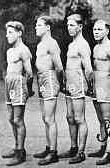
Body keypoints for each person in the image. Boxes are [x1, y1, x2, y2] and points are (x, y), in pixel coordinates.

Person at [57, 14, 93, 164]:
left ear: (80, 27)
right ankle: (73, 147)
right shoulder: (72, 44)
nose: (69, 28)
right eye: (68, 25)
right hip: (69, 82)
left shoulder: (83, 45)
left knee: (79, 118)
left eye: (72, 25)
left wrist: (88, 86)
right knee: (70, 117)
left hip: (78, 82)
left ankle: (81, 152)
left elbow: (89, 69)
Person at [88, 19, 110, 165]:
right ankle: (103, 147)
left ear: (107, 31)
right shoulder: (96, 47)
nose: (96, 32)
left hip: (106, 85)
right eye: (95, 29)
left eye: (99, 30)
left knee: (107, 118)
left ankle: (109, 152)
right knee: (101, 118)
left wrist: (107, 82)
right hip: (96, 85)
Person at [33, 15, 64, 166]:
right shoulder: (40, 44)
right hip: (41, 79)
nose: (35, 28)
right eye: (36, 25)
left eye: (39, 25)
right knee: (45, 117)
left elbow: (59, 67)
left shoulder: (52, 43)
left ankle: (53, 152)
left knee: (50, 118)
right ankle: (48, 147)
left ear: (48, 27)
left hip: (50, 78)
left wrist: (57, 82)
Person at [2, 21, 34, 166]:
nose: (7, 35)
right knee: (10, 118)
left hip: (19, 84)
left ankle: (21, 152)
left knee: (17, 119)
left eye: (11, 32)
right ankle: (16, 147)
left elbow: (30, 73)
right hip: (9, 83)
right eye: (7, 32)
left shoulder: (24, 50)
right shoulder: (10, 51)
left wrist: (28, 89)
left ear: (19, 33)